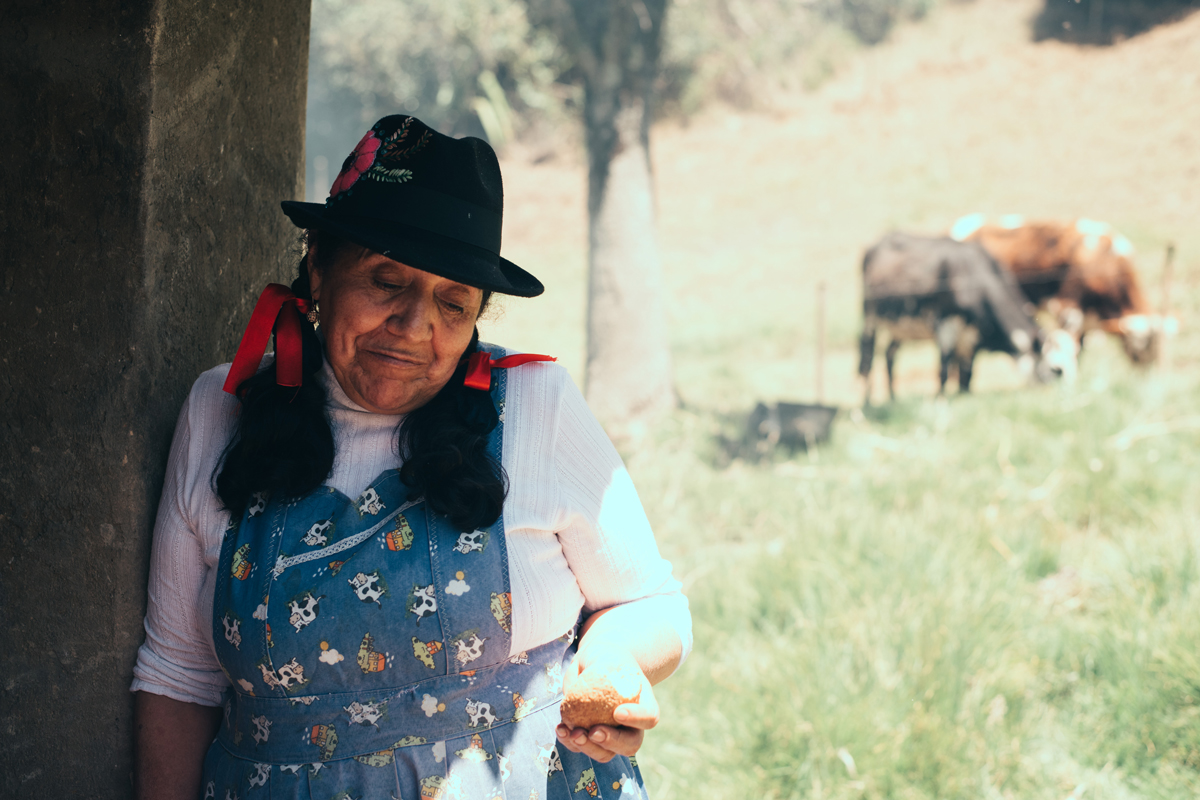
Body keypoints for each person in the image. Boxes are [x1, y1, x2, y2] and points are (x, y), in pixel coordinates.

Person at [131, 115, 691, 799]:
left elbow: (652, 604)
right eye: (386, 281)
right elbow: (178, 677)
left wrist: (611, 658)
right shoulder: (220, 412)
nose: (414, 326)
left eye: (452, 303)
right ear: (317, 265)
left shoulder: (535, 408)